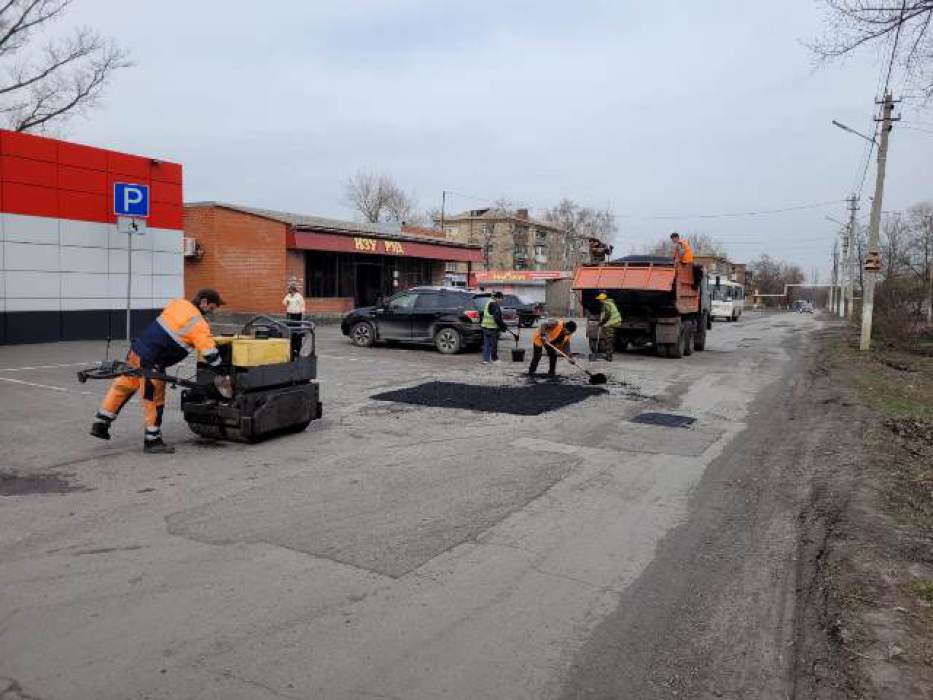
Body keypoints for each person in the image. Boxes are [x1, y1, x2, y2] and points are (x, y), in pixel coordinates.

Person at [89, 289, 228, 454]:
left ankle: (100, 424)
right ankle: (152, 440)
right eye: (211, 308)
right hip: (152, 361)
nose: (211, 312)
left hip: (137, 351)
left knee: (123, 386)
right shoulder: (198, 323)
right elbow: (209, 353)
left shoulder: (178, 303)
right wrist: (222, 372)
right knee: (154, 400)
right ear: (204, 302)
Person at [481, 291, 508, 364]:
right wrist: (503, 327)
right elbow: (497, 318)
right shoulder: (494, 304)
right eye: (501, 299)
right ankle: (494, 359)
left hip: (485, 326)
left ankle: (486, 360)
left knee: (487, 344)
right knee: (493, 344)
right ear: (498, 298)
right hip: (492, 328)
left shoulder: (489, 301)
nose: (501, 301)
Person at [595, 292, 622, 361]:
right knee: (609, 339)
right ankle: (609, 354)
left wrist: (602, 322)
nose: (599, 301)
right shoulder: (609, 303)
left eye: (600, 299)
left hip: (612, 322)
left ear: (603, 299)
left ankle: (609, 356)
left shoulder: (606, 304)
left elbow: (607, 315)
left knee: (608, 340)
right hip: (615, 322)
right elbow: (604, 313)